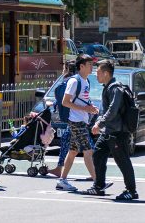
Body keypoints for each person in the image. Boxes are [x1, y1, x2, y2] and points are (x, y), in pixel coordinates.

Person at [84, 60, 138, 200]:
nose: (96, 75)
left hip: (117, 132)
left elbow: (113, 110)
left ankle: (131, 191)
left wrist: (99, 124)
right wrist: (99, 122)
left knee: (122, 160)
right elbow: (108, 110)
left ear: (106, 73)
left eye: (98, 73)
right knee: (98, 155)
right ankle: (98, 186)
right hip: (109, 132)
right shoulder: (108, 87)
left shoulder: (115, 88)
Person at [56, 54, 98, 192]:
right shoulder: (74, 81)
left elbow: (82, 99)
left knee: (73, 151)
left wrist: (90, 107)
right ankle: (98, 182)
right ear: (81, 66)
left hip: (82, 120)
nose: (92, 67)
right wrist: (85, 108)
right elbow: (65, 102)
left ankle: (62, 180)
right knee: (88, 150)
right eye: (89, 64)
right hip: (76, 121)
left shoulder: (86, 81)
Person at [48, 62, 76, 178]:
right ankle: (59, 169)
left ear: (66, 69)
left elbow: (65, 99)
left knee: (88, 147)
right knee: (68, 142)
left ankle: (97, 175)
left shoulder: (69, 82)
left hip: (74, 118)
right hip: (76, 118)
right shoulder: (79, 80)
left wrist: (55, 104)